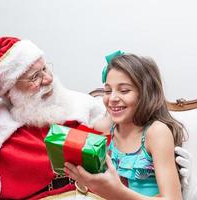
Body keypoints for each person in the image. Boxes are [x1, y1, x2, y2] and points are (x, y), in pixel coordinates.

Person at [0, 38, 190, 200]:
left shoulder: (82, 110)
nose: (47, 79)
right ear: (10, 91)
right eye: (33, 76)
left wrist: (174, 172)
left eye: (45, 69)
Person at [65, 52, 183, 199]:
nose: (112, 98)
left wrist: (117, 193)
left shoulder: (156, 132)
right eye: (108, 91)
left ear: (145, 93)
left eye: (124, 90)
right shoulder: (105, 128)